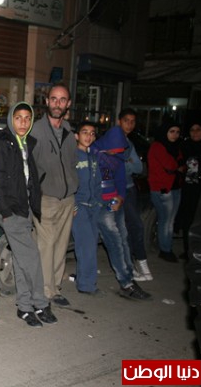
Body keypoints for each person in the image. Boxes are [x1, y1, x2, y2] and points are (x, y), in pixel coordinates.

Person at [0, 102, 58, 327]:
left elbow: (31, 178)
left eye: (28, 118)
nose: (23, 123)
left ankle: (25, 307)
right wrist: (5, 212)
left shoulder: (28, 142)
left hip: (26, 208)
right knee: (33, 258)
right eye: (18, 118)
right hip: (11, 211)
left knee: (21, 260)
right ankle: (40, 303)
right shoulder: (2, 142)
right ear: (11, 119)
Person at [30, 84, 78, 306]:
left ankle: (55, 287)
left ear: (68, 104)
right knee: (46, 245)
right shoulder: (36, 130)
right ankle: (46, 291)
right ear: (47, 101)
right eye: (54, 99)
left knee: (60, 245)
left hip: (67, 198)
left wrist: (73, 189)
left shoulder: (68, 131)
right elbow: (29, 166)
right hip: (46, 198)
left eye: (62, 100)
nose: (58, 104)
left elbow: (72, 163)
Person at [93, 126, 151, 300]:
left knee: (123, 238)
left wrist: (120, 198)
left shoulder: (118, 155)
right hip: (100, 204)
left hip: (114, 201)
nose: (116, 153)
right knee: (115, 241)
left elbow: (121, 180)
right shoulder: (93, 153)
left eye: (119, 150)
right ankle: (126, 283)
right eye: (114, 149)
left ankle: (129, 276)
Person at [117, 108, 152, 281]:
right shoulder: (112, 140)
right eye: (126, 121)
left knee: (133, 226)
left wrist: (126, 162)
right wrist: (127, 162)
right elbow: (112, 167)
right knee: (126, 228)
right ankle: (133, 265)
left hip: (129, 189)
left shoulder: (129, 143)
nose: (130, 125)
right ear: (119, 122)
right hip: (115, 190)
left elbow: (138, 168)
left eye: (132, 122)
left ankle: (139, 264)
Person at [71, 122, 102, 295]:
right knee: (86, 246)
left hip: (93, 207)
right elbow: (68, 182)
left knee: (91, 244)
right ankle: (86, 285)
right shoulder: (72, 156)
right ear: (77, 136)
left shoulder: (94, 157)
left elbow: (99, 182)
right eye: (84, 132)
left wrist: (101, 202)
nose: (88, 136)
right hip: (79, 207)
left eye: (92, 133)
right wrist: (73, 205)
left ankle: (85, 279)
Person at [148, 121, 185, 263]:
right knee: (166, 220)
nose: (175, 135)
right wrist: (177, 167)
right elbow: (171, 165)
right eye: (172, 131)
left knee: (170, 220)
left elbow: (182, 163)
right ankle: (165, 249)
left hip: (175, 187)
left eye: (177, 132)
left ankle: (165, 246)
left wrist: (177, 167)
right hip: (162, 189)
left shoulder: (175, 147)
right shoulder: (158, 146)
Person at [177, 119, 201, 257]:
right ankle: (189, 250)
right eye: (192, 130)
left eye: (198, 129)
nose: (195, 133)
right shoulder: (185, 146)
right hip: (189, 188)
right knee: (188, 219)